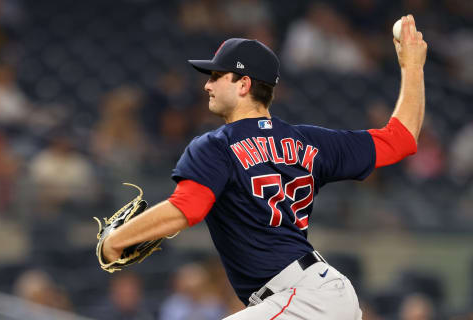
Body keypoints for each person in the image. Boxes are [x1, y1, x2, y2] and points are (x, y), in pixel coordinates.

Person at [102, 14, 427, 319]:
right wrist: (413, 67)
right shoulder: (310, 142)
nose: (207, 85)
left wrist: (116, 240)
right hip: (322, 296)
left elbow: (188, 207)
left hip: (301, 297)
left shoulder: (216, 145)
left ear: (244, 85)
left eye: (217, 76)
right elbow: (401, 139)